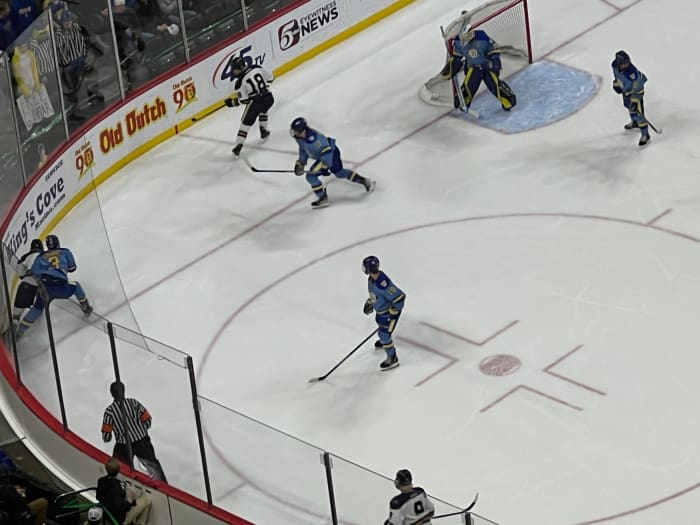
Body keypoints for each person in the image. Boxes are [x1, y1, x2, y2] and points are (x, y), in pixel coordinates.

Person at [15, 234, 92, 338]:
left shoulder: (40, 256)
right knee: (76, 286)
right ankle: (85, 306)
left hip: (45, 288)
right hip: (61, 287)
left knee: (37, 308)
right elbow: (72, 268)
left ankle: (20, 331)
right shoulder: (65, 252)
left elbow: (34, 273)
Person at [290, 117, 375, 208]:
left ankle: (365, 181)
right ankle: (323, 198)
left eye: (297, 131)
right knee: (312, 176)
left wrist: (320, 167)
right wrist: (301, 163)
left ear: (304, 130)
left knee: (337, 173)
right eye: (294, 131)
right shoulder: (300, 138)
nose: (295, 133)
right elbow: (303, 149)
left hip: (331, 154)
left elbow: (327, 153)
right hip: (323, 156)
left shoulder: (316, 140)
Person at [101, 381, 167, 482]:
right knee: (153, 465)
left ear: (112, 394)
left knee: (119, 468)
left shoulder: (110, 411)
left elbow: (106, 436)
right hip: (142, 441)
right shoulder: (133, 403)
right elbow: (148, 420)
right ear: (124, 391)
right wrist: (141, 430)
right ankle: (163, 488)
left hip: (123, 446)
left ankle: (119, 485)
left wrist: (110, 436)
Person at [448, 24, 516, 112]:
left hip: (487, 66)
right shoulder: (457, 42)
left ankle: (509, 101)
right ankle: (463, 102)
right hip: (473, 68)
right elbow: (457, 57)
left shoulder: (481, 36)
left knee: (494, 85)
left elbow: (493, 49)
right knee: (469, 86)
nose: (464, 40)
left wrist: (495, 62)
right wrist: (453, 66)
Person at [224, 56, 274, 158]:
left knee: (245, 124)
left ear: (241, 67)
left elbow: (245, 100)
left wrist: (232, 103)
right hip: (269, 98)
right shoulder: (256, 67)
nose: (234, 72)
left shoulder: (239, 82)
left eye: (235, 69)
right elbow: (271, 78)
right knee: (264, 109)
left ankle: (238, 146)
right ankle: (263, 130)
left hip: (257, 102)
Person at [362, 255, 404, 370]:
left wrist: (394, 311)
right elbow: (376, 295)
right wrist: (371, 301)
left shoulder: (383, 284)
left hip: (388, 315)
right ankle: (385, 341)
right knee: (379, 323)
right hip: (381, 312)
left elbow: (400, 297)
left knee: (384, 334)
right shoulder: (371, 279)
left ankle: (392, 357)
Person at [96, 457, 151, 525]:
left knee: (130, 492)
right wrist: (131, 503)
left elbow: (98, 497)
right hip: (118, 519)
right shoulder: (117, 488)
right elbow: (121, 507)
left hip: (106, 513)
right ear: (118, 471)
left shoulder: (101, 480)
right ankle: (140, 523)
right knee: (146, 499)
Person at [611, 50, 650, 147]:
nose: (627, 64)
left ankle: (645, 135)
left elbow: (638, 87)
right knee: (628, 106)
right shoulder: (615, 65)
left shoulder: (632, 74)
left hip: (636, 91)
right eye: (624, 63)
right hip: (626, 89)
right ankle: (635, 122)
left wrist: (634, 101)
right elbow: (616, 75)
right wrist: (616, 84)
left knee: (639, 111)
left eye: (628, 62)